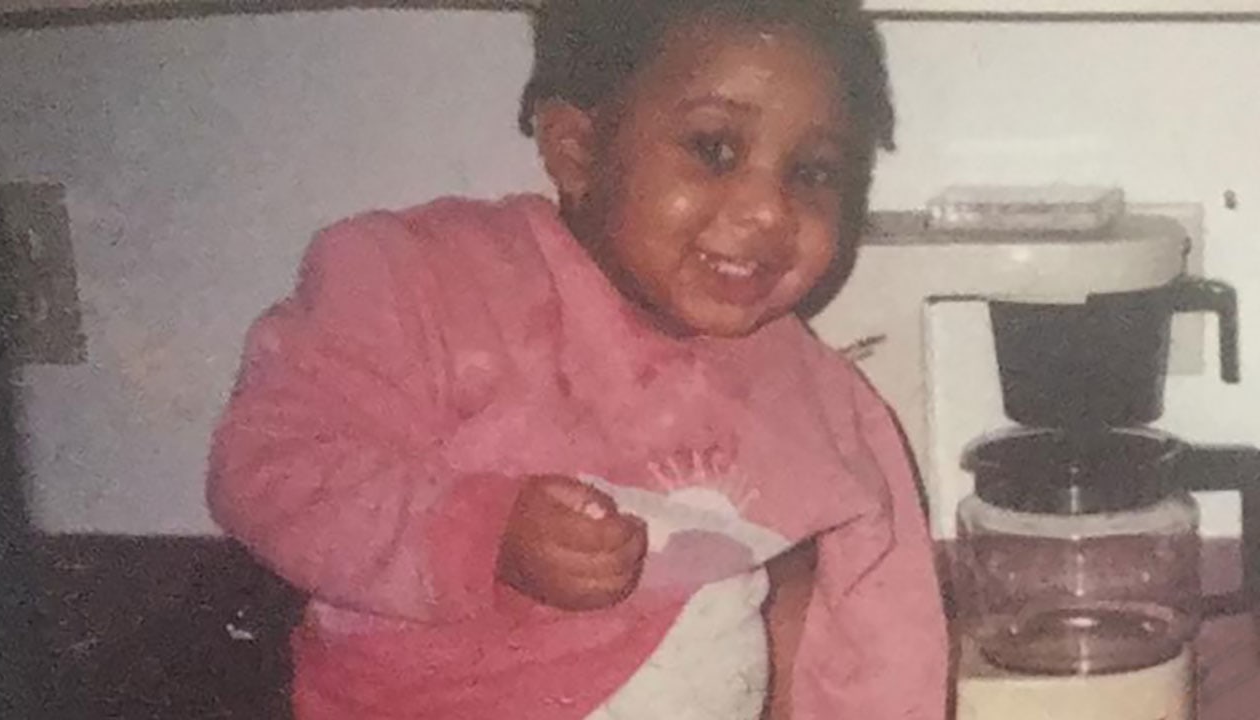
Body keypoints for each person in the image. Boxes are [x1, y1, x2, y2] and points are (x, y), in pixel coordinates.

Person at [207, 0, 948, 718]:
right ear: (577, 149)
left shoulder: (810, 388)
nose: (768, 210)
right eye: (713, 149)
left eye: (814, 172)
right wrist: (480, 536)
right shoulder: (423, 281)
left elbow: (880, 614)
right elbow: (272, 467)